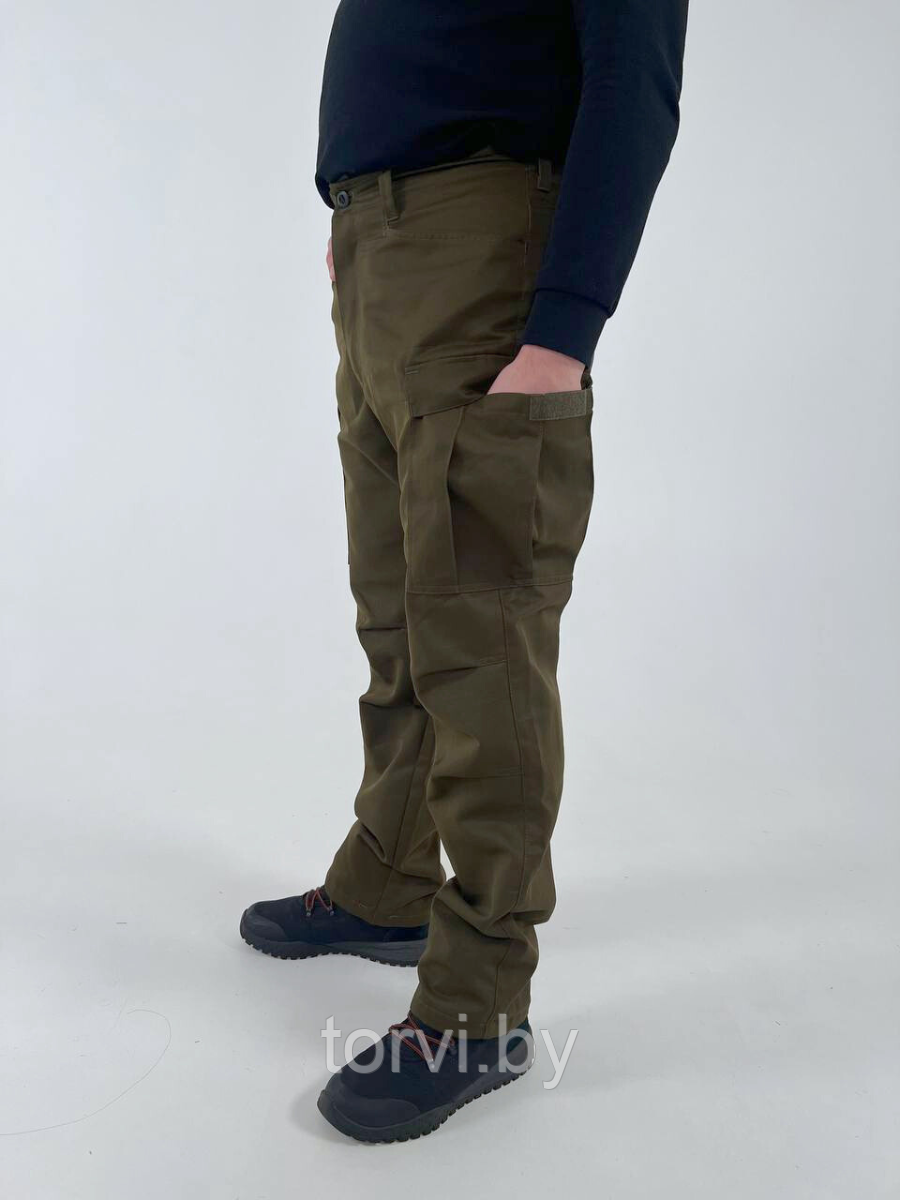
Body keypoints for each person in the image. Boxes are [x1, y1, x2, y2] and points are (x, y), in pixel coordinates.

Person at [241, 0, 689, 1143]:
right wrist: (359, 216)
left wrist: (565, 328)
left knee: (481, 635)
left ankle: (482, 996)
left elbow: (635, 71)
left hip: (484, 252)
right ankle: (392, 871)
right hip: (379, 252)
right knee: (399, 611)